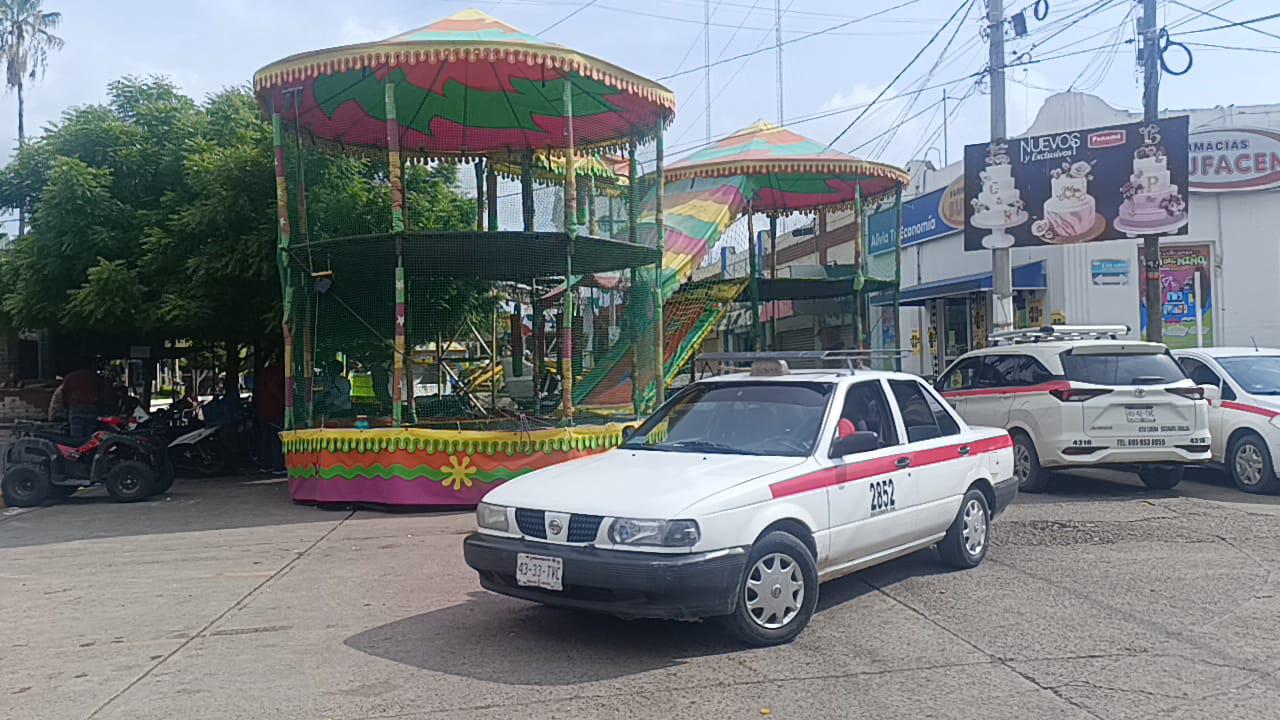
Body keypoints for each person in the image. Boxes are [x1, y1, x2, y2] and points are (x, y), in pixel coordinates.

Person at [256, 359, 285, 474]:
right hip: (274, 409)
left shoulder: (265, 373)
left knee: (266, 437)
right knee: (275, 437)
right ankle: (277, 466)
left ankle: (265, 464)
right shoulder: (278, 372)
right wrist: (281, 399)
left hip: (263, 409)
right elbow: (272, 386)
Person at [62, 360, 101, 441]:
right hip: (92, 407)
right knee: (91, 436)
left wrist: (66, 407)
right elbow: (102, 393)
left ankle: (77, 451)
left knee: (76, 436)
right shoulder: (95, 377)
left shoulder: (70, 377)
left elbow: (64, 393)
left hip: (76, 408)